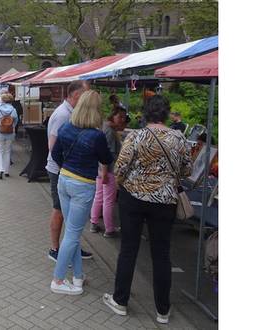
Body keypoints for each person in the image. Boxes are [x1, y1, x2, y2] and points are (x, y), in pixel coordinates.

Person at [103, 95, 191, 324]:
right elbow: (187, 170)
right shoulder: (178, 138)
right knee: (161, 254)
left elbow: (120, 167)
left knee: (128, 250)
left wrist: (128, 184)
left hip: (133, 198)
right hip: (165, 201)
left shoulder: (136, 136)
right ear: (165, 114)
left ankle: (120, 301)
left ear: (146, 113)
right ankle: (162, 310)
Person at [49, 90, 113, 295]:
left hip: (64, 180)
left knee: (71, 233)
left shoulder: (67, 127)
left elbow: (56, 153)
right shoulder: (97, 136)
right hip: (82, 185)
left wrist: (67, 167)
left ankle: (77, 276)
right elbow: (106, 159)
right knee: (73, 235)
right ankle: (58, 280)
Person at [45, 80, 93, 262]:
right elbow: (53, 146)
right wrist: (70, 166)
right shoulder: (63, 115)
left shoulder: (70, 113)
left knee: (72, 213)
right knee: (59, 209)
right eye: (85, 95)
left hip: (66, 170)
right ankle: (55, 249)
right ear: (76, 96)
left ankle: (72, 247)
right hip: (60, 171)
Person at [90, 106, 127, 238]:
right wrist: (105, 173)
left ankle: (94, 223)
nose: (122, 120)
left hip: (99, 170)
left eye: (124, 117)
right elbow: (107, 154)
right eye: (119, 116)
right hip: (108, 171)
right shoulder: (110, 132)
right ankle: (109, 229)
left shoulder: (104, 127)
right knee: (109, 200)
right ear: (113, 115)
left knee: (99, 196)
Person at [0, 93, 19, 179]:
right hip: (10, 133)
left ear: (2, 100)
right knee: (7, 151)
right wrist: (12, 127)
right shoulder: (13, 110)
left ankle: (0, 170)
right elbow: (16, 121)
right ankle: (6, 171)